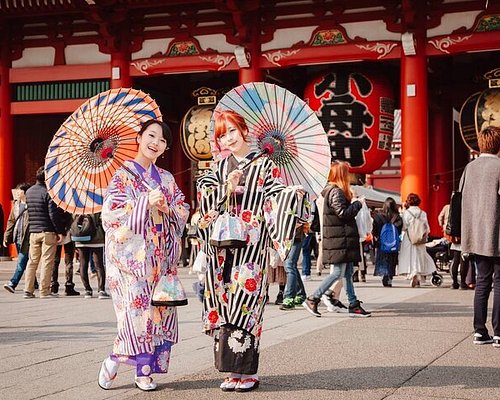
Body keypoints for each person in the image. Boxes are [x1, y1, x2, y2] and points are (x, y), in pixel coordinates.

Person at [196, 110, 307, 392]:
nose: (227, 139)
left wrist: (292, 195)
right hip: (220, 249)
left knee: (246, 301)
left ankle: (247, 372)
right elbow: (204, 196)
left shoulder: (266, 167)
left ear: (244, 130)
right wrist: (226, 187)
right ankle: (229, 371)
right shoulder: (218, 169)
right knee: (223, 301)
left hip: (251, 247)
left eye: (232, 131)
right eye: (221, 135)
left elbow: (278, 197)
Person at [99, 119, 190, 391]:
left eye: (162, 140)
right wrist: (142, 203)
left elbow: (182, 208)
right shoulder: (122, 175)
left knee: (157, 314)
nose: (156, 143)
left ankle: (143, 372)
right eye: (151, 136)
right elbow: (111, 216)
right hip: (131, 260)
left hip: (159, 259)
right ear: (139, 137)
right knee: (135, 313)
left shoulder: (165, 178)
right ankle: (116, 358)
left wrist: (167, 208)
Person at [303, 161, 371, 318]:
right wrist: (357, 205)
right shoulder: (335, 192)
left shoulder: (332, 191)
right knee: (338, 273)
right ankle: (314, 298)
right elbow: (343, 213)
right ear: (341, 175)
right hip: (339, 240)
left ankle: (353, 304)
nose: (348, 176)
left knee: (347, 273)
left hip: (340, 239)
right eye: (346, 173)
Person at [459, 125, 500, 346]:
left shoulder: (469, 168)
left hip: (476, 235)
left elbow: (461, 199)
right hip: (498, 234)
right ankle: (499, 332)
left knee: (482, 281)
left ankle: (479, 330)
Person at [23, 166, 65, 299]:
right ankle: (44, 290)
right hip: (48, 231)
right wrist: (60, 231)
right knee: (47, 261)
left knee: (32, 261)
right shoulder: (48, 193)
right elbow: (53, 215)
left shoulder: (29, 192)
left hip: (34, 231)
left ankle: (28, 290)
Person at [398, 193, 435, 287]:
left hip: (409, 237)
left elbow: (404, 227)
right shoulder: (423, 213)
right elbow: (427, 228)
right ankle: (418, 275)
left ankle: (413, 274)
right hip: (420, 238)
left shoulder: (406, 213)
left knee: (410, 256)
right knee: (419, 256)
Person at [3, 183, 34, 293]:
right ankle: (34, 282)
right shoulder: (16, 204)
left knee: (21, 261)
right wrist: (6, 237)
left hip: (27, 237)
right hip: (18, 236)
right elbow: (11, 221)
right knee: (27, 260)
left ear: (25, 192)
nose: (16, 192)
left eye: (19, 190)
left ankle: (12, 283)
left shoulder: (31, 204)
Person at [73, 213, 108, 299]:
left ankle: (87, 290)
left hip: (81, 238)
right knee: (99, 264)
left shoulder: (77, 205)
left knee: (83, 264)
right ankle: (101, 290)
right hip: (97, 238)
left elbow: (73, 219)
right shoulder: (97, 204)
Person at [372, 197, 403, 287]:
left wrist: (378, 237)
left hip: (382, 242)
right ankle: (389, 276)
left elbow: (374, 230)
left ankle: (384, 274)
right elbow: (399, 231)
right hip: (393, 243)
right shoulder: (397, 217)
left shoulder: (378, 216)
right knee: (392, 260)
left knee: (383, 259)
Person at [51, 211, 79, 296]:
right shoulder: (69, 205)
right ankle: (69, 285)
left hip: (56, 233)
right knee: (68, 261)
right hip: (68, 234)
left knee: (55, 261)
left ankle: (53, 285)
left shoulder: (55, 203)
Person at [280, 225, 307, 310]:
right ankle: (300, 294)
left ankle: (289, 297)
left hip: (296, 235)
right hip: (285, 236)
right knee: (291, 266)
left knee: (289, 265)